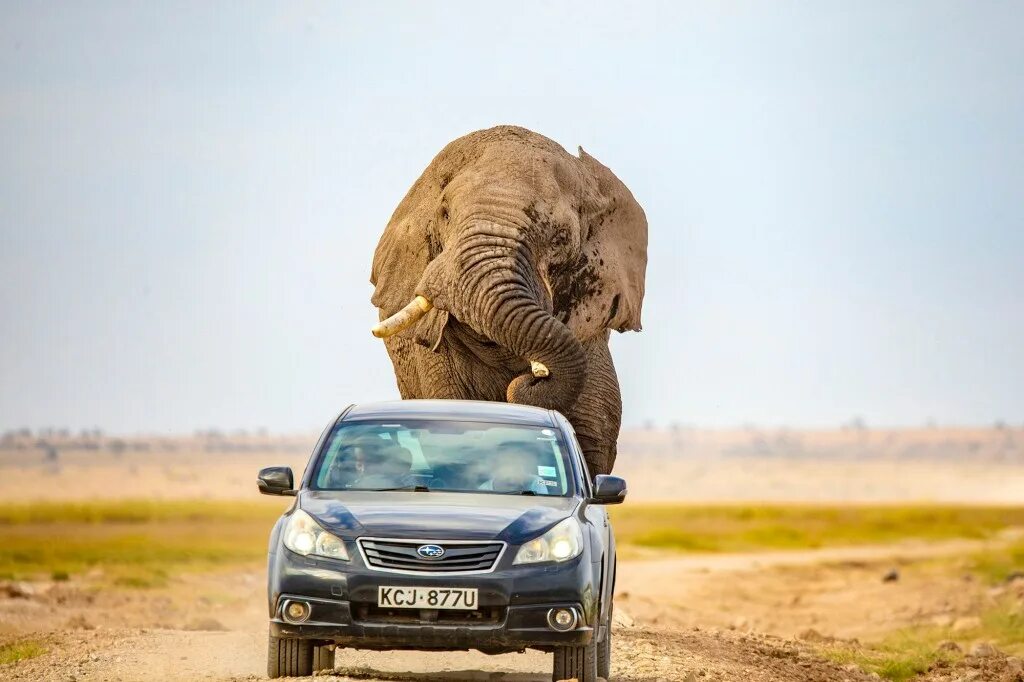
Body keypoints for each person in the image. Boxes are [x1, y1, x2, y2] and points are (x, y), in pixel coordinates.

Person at [478, 442, 548, 495]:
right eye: (507, 464)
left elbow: (543, 506)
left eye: (518, 464)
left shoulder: (535, 482)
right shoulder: (484, 489)